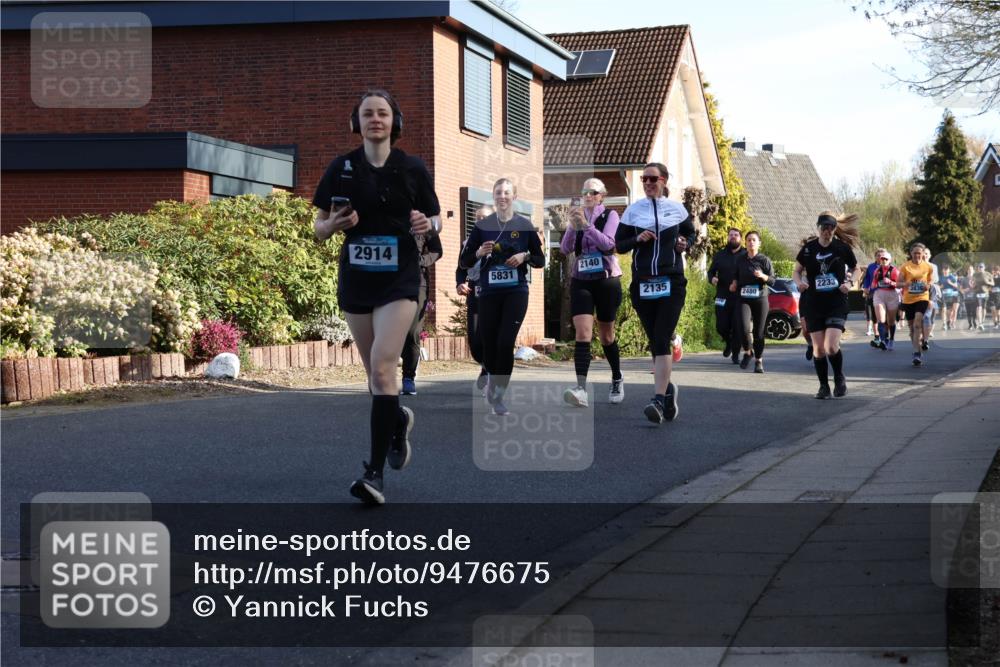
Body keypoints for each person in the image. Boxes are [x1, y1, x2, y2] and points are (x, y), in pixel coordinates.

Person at [313, 89, 442, 504]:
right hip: (357, 277)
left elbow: (434, 215)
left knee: (385, 365)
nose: (375, 119)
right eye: (367, 113)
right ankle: (397, 417)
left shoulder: (412, 168)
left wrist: (426, 222)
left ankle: (374, 474)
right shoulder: (342, 167)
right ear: (357, 122)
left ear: (394, 121)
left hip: (400, 277)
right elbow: (318, 227)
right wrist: (333, 224)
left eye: (382, 113)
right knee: (375, 374)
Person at [615, 163, 696, 423]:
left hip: (671, 282)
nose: (648, 183)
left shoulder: (677, 209)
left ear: (663, 180)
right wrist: (637, 240)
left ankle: (658, 401)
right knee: (655, 341)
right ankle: (668, 390)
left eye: (652, 179)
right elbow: (619, 245)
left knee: (661, 338)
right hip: (643, 284)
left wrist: (686, 243)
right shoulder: (633, 211)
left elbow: (690, 235)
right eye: (644, 179)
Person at [459, 178, 545, 416]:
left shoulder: (524, 225)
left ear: (514, 196)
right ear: (494, 197)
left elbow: (541, 260)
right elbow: (464, 261)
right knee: (489, 344)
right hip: (488, 293)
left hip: (515, 291)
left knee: (505, 343)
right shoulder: (482, 227)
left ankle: (498, 395)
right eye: (498, 192)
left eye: (507, 192)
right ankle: (491, 378)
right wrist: (478, 252)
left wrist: (524, 257)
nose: (502, 196)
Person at [560, 178, 624, 408]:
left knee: (606, 335)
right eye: (584, 191)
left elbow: (608, 245)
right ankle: (581, 389)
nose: (587, 195)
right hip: (582, 280)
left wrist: (587, 227)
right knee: (583, 333)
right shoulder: (577, 217)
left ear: (601, 196)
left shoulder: (611, 216)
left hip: (606, 280)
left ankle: (617, 377)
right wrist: (572, 225)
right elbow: (566, 249)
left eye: (592, 192)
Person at [793, 212, 859, 399]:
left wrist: (849, 283)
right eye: (824, 227)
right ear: (818, 228)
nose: (827, 231)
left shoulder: (841, 248)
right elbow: (796, 271)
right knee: (819, 349)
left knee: (830, 346)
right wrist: (799, 283)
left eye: (831, 228)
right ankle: (823, 386)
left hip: (836, 302)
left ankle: (839, 378)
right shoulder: (808, 249)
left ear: (834, 230)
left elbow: (857, 269)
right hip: (814, 303)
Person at [399, 224, 443, 395]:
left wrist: (421, 260)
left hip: (418, 284)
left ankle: (408, 377)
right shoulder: (388, 216)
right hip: (389, 282)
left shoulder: (424, 222)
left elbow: (437, 250)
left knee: (412, 332)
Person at [456, 205, 493, 391]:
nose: (480, 221)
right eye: (477, 218)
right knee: (475, 342)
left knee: (489, 335)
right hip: (475, 294)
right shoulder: (467, 244)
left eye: (484, 218)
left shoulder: (498, 240)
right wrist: (460, 283)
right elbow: (460, 269)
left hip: (494, 295)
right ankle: (485, 365)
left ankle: (489, 371)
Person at [733, 230, 775, 373]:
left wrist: (763, 276)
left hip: (760, 298)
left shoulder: (764, 260)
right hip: (743, 298)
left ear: (759, 243)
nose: (751, 242)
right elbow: (736, 276)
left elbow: (773, 281)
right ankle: (748, 351)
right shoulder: (740, 259)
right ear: (745, 243)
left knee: (758, 332)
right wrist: (734, 283)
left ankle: (759, 361)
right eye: (749, 240)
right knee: (743, 329)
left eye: (754, 240)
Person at [707, 227, 746, 364]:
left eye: (736, 235)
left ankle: (735, 354)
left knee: (737, 326)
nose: (733, 237)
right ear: (727, 238)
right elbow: (710, 272)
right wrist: (712, 279)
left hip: (740, 297)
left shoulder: (746, 255)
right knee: (721, 326)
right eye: (731, 235)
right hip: (722, 296)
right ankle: (728, 343)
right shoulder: (720, 255)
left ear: (740, 238)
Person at [898, 243, 934, 367]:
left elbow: (931, 281)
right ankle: (917, 348)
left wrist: (927, 286)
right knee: (912, 328)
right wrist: (905, 284)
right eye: (915, 253)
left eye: (919, 253)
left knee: (918, 323)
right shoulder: (905, 267)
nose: (917, 255)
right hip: (908, 300)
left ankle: (916, 353)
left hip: (922, 298)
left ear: (923, 254)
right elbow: (898, 283)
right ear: (911, 254)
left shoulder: (928, 267)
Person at [869, 249, 900, 351]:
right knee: (881, 319)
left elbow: (899, 284)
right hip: (879, 294)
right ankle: (883, 340)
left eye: (885, 259)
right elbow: (873, 283)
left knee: (891, 321)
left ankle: (891, 339)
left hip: (892, 295)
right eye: (882, 259)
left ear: (889, 260)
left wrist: (891, 282)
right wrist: (875, 285)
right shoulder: (877, 271)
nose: (883, 260)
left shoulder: (894, 270)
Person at [860, 256, 880, 338]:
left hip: (885, 294)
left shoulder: (890, 267)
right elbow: (865, 282)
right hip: (871, 294)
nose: (880, 257)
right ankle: (874, 334)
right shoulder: (871, 267)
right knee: (872, 314)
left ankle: (884, 334)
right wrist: (865, 288)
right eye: (878, 255)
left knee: (882, 316)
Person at [973, 262, 995, 330]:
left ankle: (982, 321)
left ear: (984, 267)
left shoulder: (988, 274)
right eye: (979, 267)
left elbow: (993, 283)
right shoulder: (975, 274)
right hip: (977, 293)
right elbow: (973, 283)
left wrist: (987, 282)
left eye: (981, 267)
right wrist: (972, 286)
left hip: (985, 293)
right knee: (978, 308)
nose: (980, 268)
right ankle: (980, 323)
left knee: (983, 309)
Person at [940, 264, 961, 331]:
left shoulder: (952, 277)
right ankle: (946, 322)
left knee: (954, 310)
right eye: (944, 269)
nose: (945, 271)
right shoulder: (941, 277)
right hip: (945, 296)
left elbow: (957, 286)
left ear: (949, 270)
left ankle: (952, 323)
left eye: (947, 269)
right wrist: (941, 287)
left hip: (954, 295)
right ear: (942, 270)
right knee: (947, 311)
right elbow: (938, 286)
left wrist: (950, 283)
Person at [961, 265, 978, 330]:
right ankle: (970, 324)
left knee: (974, 311)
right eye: (969, 270)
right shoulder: (964, 279)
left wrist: (974, 288)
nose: (970, 271)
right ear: (967, 271)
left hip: (974, 298)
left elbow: (978, 288)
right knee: (968, 312)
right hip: (967, 298)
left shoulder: (975, 279)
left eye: (971, 269)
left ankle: (974, 322)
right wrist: (964, 290)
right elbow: (961, 289)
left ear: (973, 270)